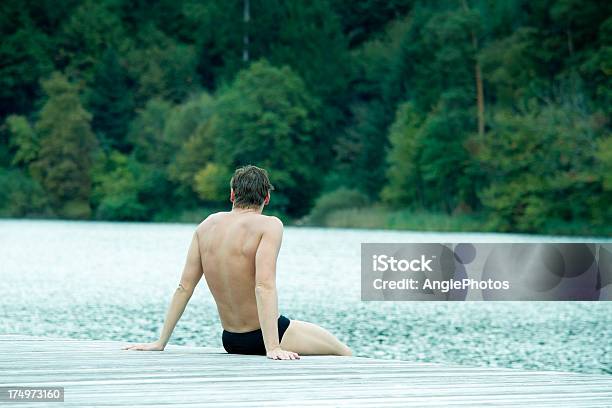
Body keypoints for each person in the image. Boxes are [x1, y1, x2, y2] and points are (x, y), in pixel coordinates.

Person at [124, 165, 351, 360]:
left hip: (231, 340)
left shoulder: (206, 226)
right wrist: (272, 347)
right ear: (266, 198)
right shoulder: (269, 225)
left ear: (232, 195)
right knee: (344, 353)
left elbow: (184, 287)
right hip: (264, 336)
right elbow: (264, 286)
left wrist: (160, 342)